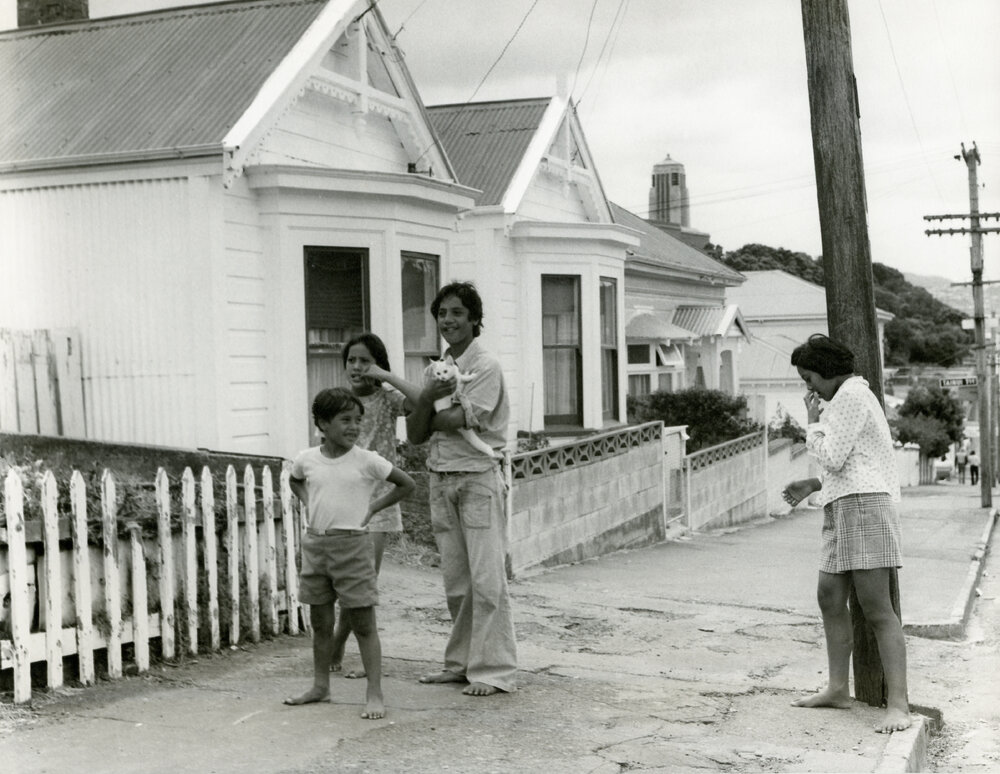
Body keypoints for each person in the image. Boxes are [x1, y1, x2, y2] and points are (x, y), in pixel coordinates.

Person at [781, 334, 911, 734]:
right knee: (829, 596)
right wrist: (815, 485)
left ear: (827, 371)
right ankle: (838, 688)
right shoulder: (844, 401)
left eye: (809, 377)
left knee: (876, 609)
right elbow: (852, 462)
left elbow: (835, 456)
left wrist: (812, 423)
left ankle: (899, 706)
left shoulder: (852, 395)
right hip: (844, 505)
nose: (808, 386)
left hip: (866, 507)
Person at [406, 281, 517, 697]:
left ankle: (493, 671)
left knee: (488, 580)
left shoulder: (485, 366)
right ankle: (461, 663)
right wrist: (424, 401)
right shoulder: (436, 369)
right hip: (441, 479)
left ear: (474, 319)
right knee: (457, 582)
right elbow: (416, 435)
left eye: (457, 313)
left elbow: (456, 420)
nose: (448, 320)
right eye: (442, 314)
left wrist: (422, 402)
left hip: (477, 480)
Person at [284, 387, 415, 719]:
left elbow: (406, 484)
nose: (354, 427)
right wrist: (308, 502)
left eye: (358, 420)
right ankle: (320, 686)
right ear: (323, 424)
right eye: (345, 420)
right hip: (316, 546)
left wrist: (374, 507)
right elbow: (295, 480)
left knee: (363, 623)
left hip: (353, 547)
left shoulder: (366, 460)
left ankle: (374, 693)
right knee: (320, 620)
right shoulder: (307, 459)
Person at [329, 333, 423, 679]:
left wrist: (385, 376)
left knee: (364, 583)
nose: (356, 367)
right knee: (342, 581)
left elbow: (422, 401)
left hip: (380, 501)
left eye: (364, 360)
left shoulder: (387, 399)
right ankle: (339, 641)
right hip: (343, 499)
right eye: (351, 360)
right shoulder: (337, 402)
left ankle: (340, 642)